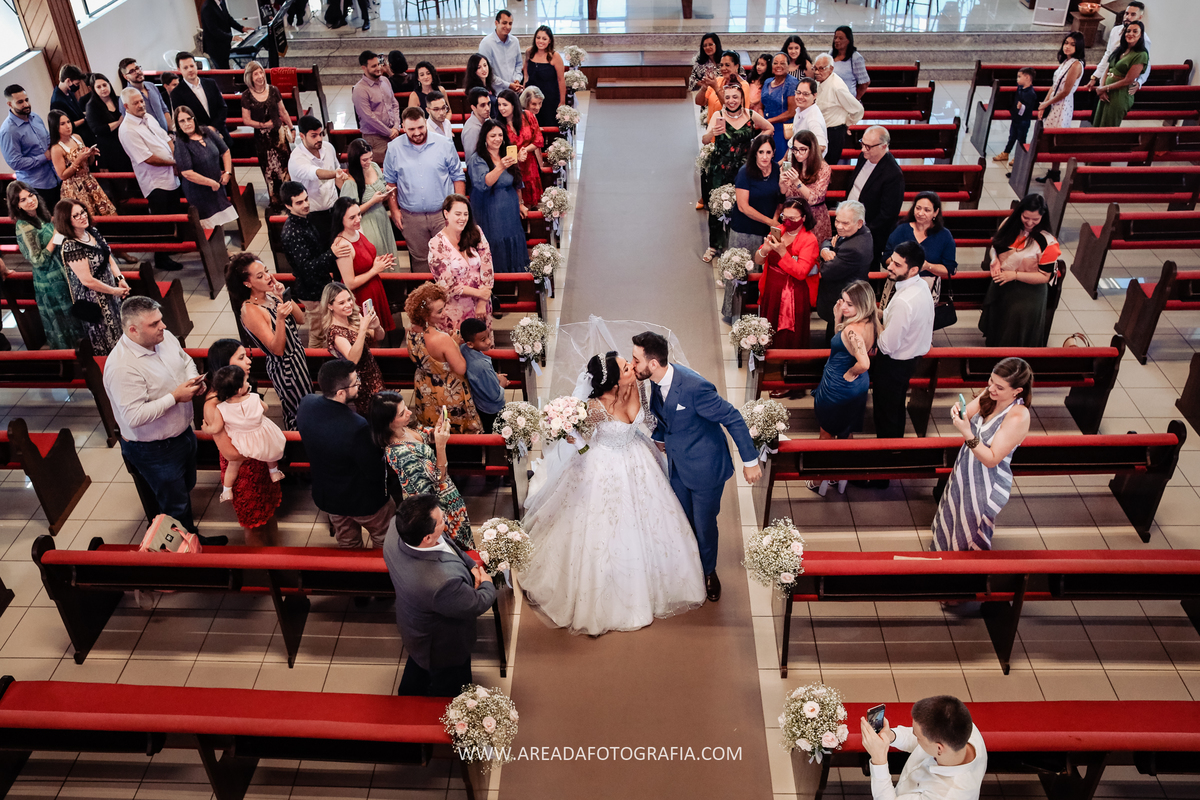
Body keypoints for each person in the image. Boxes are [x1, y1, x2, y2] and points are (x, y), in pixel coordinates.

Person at [521, 351, 706, 635]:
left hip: (639, 459)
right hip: (603, 465)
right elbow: (577, 435)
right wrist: (570, 434)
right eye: (625, 366)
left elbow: (652, 420)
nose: (631, 366)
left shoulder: (640, 386)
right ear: (612, 380)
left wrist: (666, 440)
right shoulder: (595, 407)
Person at [635, 331, 761, 603]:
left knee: (704, 525)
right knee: (682, 517)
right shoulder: (655, 383)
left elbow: (733, 418)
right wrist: (659, 438)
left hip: (705, 468)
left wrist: (750, 461)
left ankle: (708, 572)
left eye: (636, 360)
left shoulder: (695, 387)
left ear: (653, 363)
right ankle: (688, 564)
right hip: (679, 464)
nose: (633, 365)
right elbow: (663, 418)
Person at [104, 296, 226, 545]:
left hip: (182, 433)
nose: (164, 327)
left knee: (185, 484)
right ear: (133, 330)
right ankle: (187, 548)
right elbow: (133, 416)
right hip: (153, 448)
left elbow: (185, 361)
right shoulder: (122, 367)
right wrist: (175, 397)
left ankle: (184, 531)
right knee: (175, 503)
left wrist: (194, 382)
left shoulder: (164, 338)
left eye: (161, 320)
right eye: (155, 324)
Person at [385, 494, 496, 697]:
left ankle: (410, 693)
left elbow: (447, 546)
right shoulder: (439, 583)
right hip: (443, 646)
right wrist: (486, 582)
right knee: (449, 685)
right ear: (427, 538)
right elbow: (477, 603)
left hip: (415, 624)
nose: (446, 520)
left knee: (418, 666)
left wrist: (472, 567)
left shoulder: (398, 527)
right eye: (442, 520)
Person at [933, 359, 1033, 552]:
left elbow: (992, 459)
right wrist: (957, 411)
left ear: (1017, 391)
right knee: (952, 514)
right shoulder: (991, 393)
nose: (991, 388)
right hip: (966, 469)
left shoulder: (1018, 416)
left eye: (999, 387)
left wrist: (967, 433)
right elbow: (967, 414)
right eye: (991, 381)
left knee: (969, 532)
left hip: (985, 485)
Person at [296, 359, 395, 549]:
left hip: (330, 498)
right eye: (355, 382)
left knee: (348, 544)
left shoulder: (307, 404)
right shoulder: (357, 427)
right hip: (363, 501)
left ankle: (354, 577)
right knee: (385, 540)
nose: (359, 384)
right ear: (341, 393)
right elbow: (374, 470)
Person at [201, 339, 281, 545]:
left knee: (270, 513)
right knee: (254, 526)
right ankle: (261, 571)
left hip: (261, 461)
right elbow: (231, 454)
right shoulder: (214, 403)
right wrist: (263, 446)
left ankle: (278, 560)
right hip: (244, 469)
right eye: (241, 357)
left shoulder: (242, 390)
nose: (248, 361)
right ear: (225, 366)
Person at [372, 392, 473, 547]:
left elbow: (423, 434)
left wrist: (436, 430)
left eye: (405, 407)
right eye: (402, 413)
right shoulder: (401, 454)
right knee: (455, 546)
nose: (409, 412)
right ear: (389, 422)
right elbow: (438, 478)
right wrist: (440, 445)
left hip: (447, 495)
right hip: (436, 507)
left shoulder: (403, 428)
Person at [225, 252, 311, 429]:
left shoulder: (271, 295)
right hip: (285, 368)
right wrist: (279, 320)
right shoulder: (250, 310)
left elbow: (301, 318)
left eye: (266, 271)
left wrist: (282, 294)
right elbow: (277, 349)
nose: (267, 277)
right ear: (247, 283)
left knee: (307, 404)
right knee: (297, 411)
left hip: (298, 359)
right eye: (260, 276)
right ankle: (298, 445)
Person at [869, 241, 934, 454]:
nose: (890, 266)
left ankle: (886, 463)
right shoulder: (921, 285)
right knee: (896, 406)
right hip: (911, 358)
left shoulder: (904, 301)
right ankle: (895, 450)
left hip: (893, 363)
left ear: (913, 269)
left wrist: (873, 322)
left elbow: (887, 345)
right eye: (892, 261)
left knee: (886, 412)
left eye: (897, 265)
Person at [384, 107, 466, 273]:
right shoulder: (393, 148)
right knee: (421, 262)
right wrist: (394, 210)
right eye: (411, 129)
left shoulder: (444, 144)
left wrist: (458, 210)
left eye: (420, 127)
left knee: (449, 257)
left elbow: (458, 176)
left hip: (441, 214)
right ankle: (425, 298)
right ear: (403, 127)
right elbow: (390, 183)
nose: (417, 133)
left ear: (425, 123)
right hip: (411, 216)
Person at [859, 696, 987, 800]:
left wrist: (879, 760)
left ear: (939, 749)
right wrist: (892, 736)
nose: (914, 735)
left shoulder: (946, 795)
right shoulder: (963, 728)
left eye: (918, 736)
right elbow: (918, 738)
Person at [701, 82, 773, 262]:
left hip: (744, 170)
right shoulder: (718, 115)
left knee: (742, 206)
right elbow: (704, 140)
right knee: (717, 207)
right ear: (723, 99)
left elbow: (769, 128)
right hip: (721, 168)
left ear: (742, 98)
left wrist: (755, 144)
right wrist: (712, 134)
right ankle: (714, 245)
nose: (731, 101)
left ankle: (737, 243)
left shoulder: (750, 114)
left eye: (735, 97)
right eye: (728, 97)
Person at [978, 194, 1061, 348]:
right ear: (1020, 213)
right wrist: (995, 260)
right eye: (1026, 217)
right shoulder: (1009, 225)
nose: (1030, 223)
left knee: (1015, 332)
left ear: (1043, 217)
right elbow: (996, 246)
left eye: (1035, 220)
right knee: (999, 324)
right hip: (1003, 283)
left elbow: (1044, 276)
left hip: (1028, 293)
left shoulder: (1047, 241)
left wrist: (1015, 275)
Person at [118, 86, 186, 272]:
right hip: (155, 181)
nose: (141, 105)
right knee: (161, 220)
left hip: (170, 174)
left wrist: (175, 160)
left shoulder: (148, 117)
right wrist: (173, 163)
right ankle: (161, 257)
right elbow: (148, 158)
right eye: (136, 103)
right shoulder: (127, 130)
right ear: (126, 106)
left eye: (141, 100)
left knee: (173, 212)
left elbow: (166, 138)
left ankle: (173, 246)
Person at [8, 182, 82, 349]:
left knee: (76, 315)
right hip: (49, 280)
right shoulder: (23, 226)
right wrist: (56, 237)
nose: (29, 201)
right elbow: (37, 260)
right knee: (65, 320)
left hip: (62, 271)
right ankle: (72, 360)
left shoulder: (40, 215)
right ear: (16, 205)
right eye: (22, 199)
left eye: (31, 195)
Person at [404, 283, 483, 433]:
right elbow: (460, 367)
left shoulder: (410, 331)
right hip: (447, 391)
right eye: (440, 311)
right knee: (454, 432)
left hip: (424, 388)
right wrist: (454, 343)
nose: (445, 313)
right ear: (425, 315)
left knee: (433, 431)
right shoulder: (441, 339)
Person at [203, 365, 286, 503]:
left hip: (241, 442)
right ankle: (274, 472)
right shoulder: (253, 397)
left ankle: (227, 490)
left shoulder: (221, 408)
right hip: (261, 436)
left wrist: (206, 428)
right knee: (270, 453)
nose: (248, 383)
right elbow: (265, 408)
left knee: (233, 466)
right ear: (239, 389)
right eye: (246, 381)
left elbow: (216, 428)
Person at [723, 133, 782, 324]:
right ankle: (732, 313)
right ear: (754, 153)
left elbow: (780, 199)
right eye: (761, 152)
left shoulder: (776, 170)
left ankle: (753, 312)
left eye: (768, 152)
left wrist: (774, 220)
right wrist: (770, 221)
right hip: (744, 231)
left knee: (760, 273)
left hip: (765, 232)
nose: (764, 157)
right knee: (739, 272)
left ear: (773, 153)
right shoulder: (745, 172)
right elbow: (743, 207)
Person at [55, 200, 129, 355]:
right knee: (108, 337)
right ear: (66, 220)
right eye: (76, 215)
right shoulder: (71, 246)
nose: (82, 216)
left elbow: (108, 257)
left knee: (121, 331)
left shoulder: (92, 231)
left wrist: (120, 278)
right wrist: (114, 291)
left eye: (82, 211)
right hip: (95, 300)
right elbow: (87, 280)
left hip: (111, 292)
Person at [814, 280, 879, 448]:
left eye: (850, 304)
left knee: (826, 432)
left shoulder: (852, 330)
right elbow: (845, 344)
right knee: (846, 430)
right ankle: (843, 469)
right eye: (843, 301)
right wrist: (838, 319)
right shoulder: (871, 321)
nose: (844, 307)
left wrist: (850, 373)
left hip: (838, 385)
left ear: (863, 305)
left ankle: (826, 471)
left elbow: (864, 363)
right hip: (857, 385)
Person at [754, 198, 820, 350]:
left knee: (788, 335)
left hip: (793, 293)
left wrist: (783, 252)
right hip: (771, 288)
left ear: (803, 218)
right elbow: (758, 260)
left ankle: (789, 364)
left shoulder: (809, 240)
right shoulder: (779, 230)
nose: (787, 221)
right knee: (769, 326)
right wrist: (764, 250)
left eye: (793, 218)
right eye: (785, 216)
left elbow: (801, 273)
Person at [467, 119, 529, 275]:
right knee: (495, 242)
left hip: (510, 209)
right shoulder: (478, 158)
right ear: (485, 138)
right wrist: (501, 166)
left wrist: (520, 204)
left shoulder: (508, 152)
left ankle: (516, 279)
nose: (497, 139)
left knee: (513, 240)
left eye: (500, 135)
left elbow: (517, 181)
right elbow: (483, 183)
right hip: (489, 210)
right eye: (492, 135)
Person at [315, 281, 385, 416]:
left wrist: (376, 326)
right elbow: (353, 359)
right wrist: (363, 328)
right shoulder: (335, 332)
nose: (348, 305)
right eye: (341, 303)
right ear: (330, 306)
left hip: (374, 375)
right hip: (361, 385)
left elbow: (379, 337)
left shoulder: (353, 319)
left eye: (349, 300)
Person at [330, 196, 396, 334]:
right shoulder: (342, 244)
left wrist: (379, 262)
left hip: (373, 288)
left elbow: (363, 259)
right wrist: (375, 270)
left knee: (378, 333)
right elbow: (349, 283)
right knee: (369, 336)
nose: (358, 219)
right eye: (352, 217)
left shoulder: (356, 232)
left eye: (359, 214)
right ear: (340, 219)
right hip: (361, 295)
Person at [429, 194, 495, 336]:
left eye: (465, 214)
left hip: (482, 305)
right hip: (455, 310)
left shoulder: (476, 232)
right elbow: (446, 285)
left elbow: (487, 266)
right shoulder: (436, 244)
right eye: (457, 214)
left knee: (483, 348)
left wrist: (482, 301)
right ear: (446, 214)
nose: (463, 218)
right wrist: (479, 293)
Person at [173, 106, 240, 231]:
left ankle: (222, 249)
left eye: (189, 119)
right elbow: (187, 173)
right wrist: (210, 183)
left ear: (194, 119)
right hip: (198, 190)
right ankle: (217, 250)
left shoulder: (206, 131)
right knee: (208, 224)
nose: (187, 124)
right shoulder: (181, 142)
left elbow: (225, 151)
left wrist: (227, 172)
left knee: (220, 220)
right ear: (177, 124)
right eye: (182, 121)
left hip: (217, 184)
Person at [815, 200, 872, 344]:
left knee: (839, 344)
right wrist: (825, 250)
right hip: (841, 299)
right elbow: (828, 240)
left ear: (859, 223)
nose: (839, 227)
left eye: (845, 223)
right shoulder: (860, 232)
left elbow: (827, 270)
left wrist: (826, 255)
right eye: (837, 221)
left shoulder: (854, 247)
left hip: (845, 303)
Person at [847, 125, 904, 269]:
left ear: (884, 146)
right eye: (862, 143)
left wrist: (862, 229)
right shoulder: (864, 156)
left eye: (868, 146)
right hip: (852, 220)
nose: (863, 149)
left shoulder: (893, 174)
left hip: (870, 232)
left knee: (865, 267)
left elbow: (888, 214)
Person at [279, 181, 339, 314]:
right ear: (288, 205)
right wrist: (332, 253)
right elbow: (307, 268)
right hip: (311, 291)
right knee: (318, 332)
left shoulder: (305, 219)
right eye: (299, 203)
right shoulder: (293, 233)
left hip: (320, 285)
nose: (306, 204)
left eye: (306, 199)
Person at [241, 60, 294, 209]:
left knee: (285, 168)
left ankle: (290, 199)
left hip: (279, 137)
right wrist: (262, 125)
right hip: (262, 139)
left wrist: (292, 128)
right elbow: (246, 119)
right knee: (269, 171)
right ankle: (275, 201)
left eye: (261, 72)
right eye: (256, 73)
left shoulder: (273, 90)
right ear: (250, 77)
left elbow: (282, 111)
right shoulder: (246, 96)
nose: (260, 76)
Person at [1035, 32, 1086, 185]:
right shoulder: (1066, 61)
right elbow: (1054, 86)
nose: (1068, 47)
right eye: (1066, 43)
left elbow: (1065, 91)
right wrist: (1043, 104)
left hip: (1062, 105)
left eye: (1072, 44)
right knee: (1047, 136)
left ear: (1079, 47)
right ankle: (1053, 172)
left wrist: (1047, 104)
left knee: (1055, 138)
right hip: (1053, 102)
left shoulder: (1076, 64)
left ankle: (1055, 172)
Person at [288, 116, 347, 240]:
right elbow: (317, 173)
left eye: (320, 134)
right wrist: (335, 173)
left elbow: (337, 172)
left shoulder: (328, 148)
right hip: (313, 215)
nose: (319, 139)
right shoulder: (296, 158)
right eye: (314, 136)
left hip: (334, 209)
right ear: (302, 136)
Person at [2, 85, 61, 209]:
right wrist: (44, 157)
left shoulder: (35, 117)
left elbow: (47, 139)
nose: (26, 104)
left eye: (26, 100)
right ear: (9, 104)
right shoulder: (8, 131)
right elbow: (15, 162)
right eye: (20, 102)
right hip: (36, 186)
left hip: (55, 177)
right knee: (49, 223)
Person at [342, 137, 399, 265]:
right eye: (364, 160)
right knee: (377, 256)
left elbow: (382, 185)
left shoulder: (374, 166)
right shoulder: (350, 182)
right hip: (366, 223)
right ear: (356, 160)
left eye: (370, 158)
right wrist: (372, 201)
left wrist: (387, 189)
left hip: (382, 217)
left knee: (388, 252)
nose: (369, 162)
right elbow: (348, 213)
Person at [48, 109, 114, 218]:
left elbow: (89, 164)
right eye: (62, 124)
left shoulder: (77, 137)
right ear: (55, 126)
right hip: (74, 187)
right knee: (85, 218)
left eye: (68, 122)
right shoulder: (56, 148)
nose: (68, 126)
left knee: (108, 213)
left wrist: (91, 154)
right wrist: (78, 160)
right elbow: (62, 175)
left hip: (89, 181)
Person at [883, 192, 958, 286]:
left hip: (928, 285)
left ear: (935, 212)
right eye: (918, 208)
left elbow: (949, 269)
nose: (920, 213)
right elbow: (885, 258)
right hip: (898, 282)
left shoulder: (944, 235)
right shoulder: (901, 229)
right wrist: (898, 263)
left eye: (927, 210)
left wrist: (928, 266)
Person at [1092, 21, 1149, 128]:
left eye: (1135, 31)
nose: (1130, 33)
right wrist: (1101, 87)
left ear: (1141, 35)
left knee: (1108, 126)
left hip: (1119, 95)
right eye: (1128, 31)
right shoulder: (1120, 49)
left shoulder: (1141, 54)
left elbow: (1128, 80)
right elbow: (1108, 68)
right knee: (1097, 123)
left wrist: (1105, 88)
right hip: (1105, 92)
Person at [1085, 1, 1151, 93]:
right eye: (1126, 13)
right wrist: (1095, 77)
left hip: (1123, 85)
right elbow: (1108, 55)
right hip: (1106, 79)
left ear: (1139, 18)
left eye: (1133, 14)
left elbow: (1146, 63)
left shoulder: (1144, 39)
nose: (1128, 17)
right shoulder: (1115, 31)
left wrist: (1140, 82)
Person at [780, 129, 832, 243]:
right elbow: (787, 195)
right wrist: (782, 183)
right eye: (795, 149)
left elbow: (814, 198)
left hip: (815, 216)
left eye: (803, 150)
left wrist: (797, 182)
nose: (798, 153)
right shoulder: (792, 165)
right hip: (794, 216)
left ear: (812, 149)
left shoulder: (823, 168)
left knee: (813, 254)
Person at [812, 53, 863, 167]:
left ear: (831, 69)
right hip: (820, 130)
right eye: (815, 68)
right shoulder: (819, 81)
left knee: (827, 168)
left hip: (833, 133)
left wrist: (848, 122)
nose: (816, 72)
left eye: (821, 68)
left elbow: (858, 109)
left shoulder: (837, 86)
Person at [497, 89, 545, 208]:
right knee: (517, 205)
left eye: (505, 104)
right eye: (499, 105)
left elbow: (539, 140)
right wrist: (517, 156)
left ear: (513, 104)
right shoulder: (498, 125)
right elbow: (499, 152)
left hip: (530, 164)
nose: (501, 108)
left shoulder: (527, 116)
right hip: (512, 168)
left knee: (533, 205)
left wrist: (525, 150)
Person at [459, 317, 507, 434]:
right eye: (483, 339)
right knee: (495, 432)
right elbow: (494, 395)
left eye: (488, 336)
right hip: (491, 408)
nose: (488, 342)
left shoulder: (463, 349)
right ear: (470, 344)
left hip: (479, 402)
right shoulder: (481, 366)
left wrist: (494, 376)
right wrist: (502, 384)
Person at [171, 53, 230, 145]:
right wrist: (206, 131)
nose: (190, 70)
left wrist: (214, 127)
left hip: (221, 134)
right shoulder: (176, 93)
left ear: (196, 65)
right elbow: (184, 119)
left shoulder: (210, 83)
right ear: (179, 70)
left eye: (191, 65)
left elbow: (223, 107)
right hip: (199, 140)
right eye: (185, 68)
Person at [353, 50, 400, 164]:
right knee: (381, 173)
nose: (378, 68)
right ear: (364, 68)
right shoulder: (360, 89)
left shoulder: (385, 81)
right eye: (374, 66)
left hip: (393, 134)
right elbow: (368, 117)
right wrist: (389, 132)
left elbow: (394, 104)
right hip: (375, 138)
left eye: (378, 64)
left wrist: (396, 127)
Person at [84, 74, 133, 176]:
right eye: (98, 87)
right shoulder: (91, 106)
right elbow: (98, 130)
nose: (103, 89)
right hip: (108, 148)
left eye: (104, 85)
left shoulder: (119, 99)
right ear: (94, 89)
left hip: (126, 141)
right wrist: (119, 122)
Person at [524, 25, 565, 129]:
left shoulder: (555, 56)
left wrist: (562, 102)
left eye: (544, 38)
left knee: (548, 124)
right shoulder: (530, 52)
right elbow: (526, 71)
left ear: (550, 40)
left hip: (549, 98)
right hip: (532, 98)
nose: (540, 41)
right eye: (538, 38)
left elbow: (561, 80)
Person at [994, 68, 1037, 167]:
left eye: (1019, 77)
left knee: (1021, 139)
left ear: (1027, 77)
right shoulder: (1020, 88)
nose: (1017, 79)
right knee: (1012, 136)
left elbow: (1029, 107)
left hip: (1024, 120)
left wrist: (1022, 107)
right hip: (1016, 118)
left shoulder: (1030, 93)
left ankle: (1018, 156)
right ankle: (1006, 152)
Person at [760, 54, 799, 158]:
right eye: (775, 63)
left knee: (780, 160)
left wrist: (768, 122)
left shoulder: (792, 83)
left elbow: (791, 112)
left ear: (788, 66)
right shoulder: (768, 82)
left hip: (783, 130)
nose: (778, 66)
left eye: (782, 63)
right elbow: (761, 105)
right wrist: (761, 121)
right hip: (766, 127)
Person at [116, 59, 170, 133]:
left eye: (137, 68)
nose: (137, 72)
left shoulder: (152, 86)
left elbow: (164, 109)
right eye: (132, 71)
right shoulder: (125, 97)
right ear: (126, 77)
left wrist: (170, 131)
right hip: (149, 139)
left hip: (167, 135)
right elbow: (131, 124)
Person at [479, 10, 523, 94]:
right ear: (496, 23)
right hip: (496, 93)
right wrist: (508, 85)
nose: (508, 27)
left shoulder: (515, 41)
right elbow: (487, 73)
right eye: (504, 23)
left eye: (510, 23)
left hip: (514, 92)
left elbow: (518, 64)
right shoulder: (486, 44)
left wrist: (517, 79)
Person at [49, 65, 92, 148]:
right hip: (77, 137)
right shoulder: (57, 102)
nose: (77, 86)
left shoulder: (69, 92)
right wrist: (85, 119)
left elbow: (77, 112)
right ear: (68, 81)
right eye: (76, 84)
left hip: (85, 132)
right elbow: (66, 125)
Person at [200, 0, 251, 70]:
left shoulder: (221, 2)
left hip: (224, 44)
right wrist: (231, 37)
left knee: (227, 67)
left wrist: (241, 28)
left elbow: (228, 18)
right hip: (215, 47)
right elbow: (214, 30)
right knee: (223, 70)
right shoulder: (207, 7)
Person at [790, 77, 828, 158]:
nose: (800, 97)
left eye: (805, 94)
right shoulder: (801, 110)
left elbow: (821, 146)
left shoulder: (813, 119)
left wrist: (801, 155)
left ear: (814, 96)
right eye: (798, 92)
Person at [830, 26, 870, 100]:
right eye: (835, 38)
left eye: (840, 38)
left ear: (848, 40)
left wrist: (855, 100)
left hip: (847, 100)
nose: (836, 40)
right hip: (831, 99)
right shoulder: (830, 54)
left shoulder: (856, 58)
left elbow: (865, 83)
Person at [461, 88, 492, 163]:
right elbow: (471, 160)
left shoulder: (486, 120)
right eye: (482, 105)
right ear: (473, 107)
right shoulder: (472, 130)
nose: (487, 108)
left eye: (488, 103)